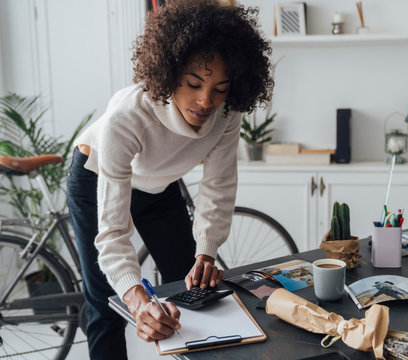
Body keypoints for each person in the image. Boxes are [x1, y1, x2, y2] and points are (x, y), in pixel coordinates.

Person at [66, 1, 273, 358]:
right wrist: (137, 299)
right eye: (194, 83)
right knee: (107, 303)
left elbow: (218, 184)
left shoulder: (227, 112)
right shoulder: (127, 117)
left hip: (159, 186)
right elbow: (114, 233)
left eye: (220, 88)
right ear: (169, 71)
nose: (206, 100)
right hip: (94, 175)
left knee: (194, 286)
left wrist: (206, 251)